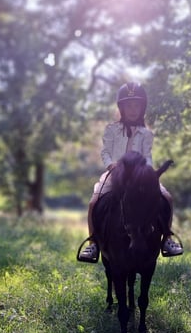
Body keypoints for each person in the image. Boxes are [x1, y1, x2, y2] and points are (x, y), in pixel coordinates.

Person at [77, 81, 183, 263]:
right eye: (128, 106)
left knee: (167, 197)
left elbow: (147, 156)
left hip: (140, 176)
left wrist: (148, 172)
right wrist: (111, 165)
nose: (132, 110)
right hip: (115, 174)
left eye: (136, 106)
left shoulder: (146, 133)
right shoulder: (112, 129)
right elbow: (105, 152)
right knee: (94, 202)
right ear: (121, 108)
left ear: (142, 108)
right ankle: (93, 242)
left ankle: (166, 238)